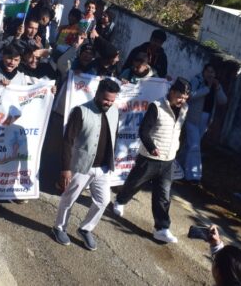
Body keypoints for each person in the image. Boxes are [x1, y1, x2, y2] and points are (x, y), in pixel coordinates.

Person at [112, 78, 191, 243]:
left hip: (169, 160)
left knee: (163, 195)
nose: (182, 100)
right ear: (172, 91)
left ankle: (161, 228)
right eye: (180, 96)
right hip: (149, 158)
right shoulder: (157, 106)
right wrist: (151, 147)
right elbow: (144, 131)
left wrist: (177, 148)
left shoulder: (184, 109)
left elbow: (180, 132)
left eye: (185, 98)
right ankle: (120, 201)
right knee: (135, 183)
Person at [52, 79, 120, 251]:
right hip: (80, 167)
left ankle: (85, 229)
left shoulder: (115, 111)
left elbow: (114, 135)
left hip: (103, 168)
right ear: (97, 94)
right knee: (69, 199)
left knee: (103, 201)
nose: (109, 104)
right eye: (106, 100)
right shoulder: (80, 111)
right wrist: (65, 168)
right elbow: (68, 141)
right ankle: (59, 227)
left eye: (112, 100)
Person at [179, 63, 227, 183]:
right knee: (195, 145)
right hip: (192, 117)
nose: (210, 74)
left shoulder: (215, 85)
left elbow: (223, 101)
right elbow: (190, 95)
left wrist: (218, 88)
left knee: (190, 145)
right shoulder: (197, 80)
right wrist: (206, 88)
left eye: (212, 72)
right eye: (208, 71)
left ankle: (176, 166)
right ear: (203, 72)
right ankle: (193, 176)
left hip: (206, 119)